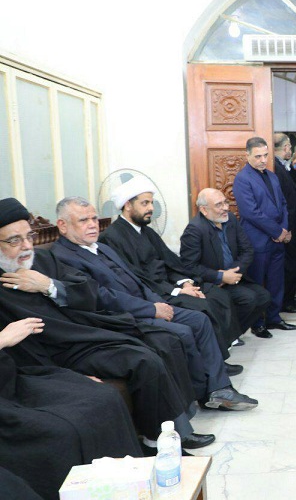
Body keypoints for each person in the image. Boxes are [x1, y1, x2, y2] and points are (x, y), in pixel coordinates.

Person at [0, 197, 211, 450]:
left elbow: (88, 291)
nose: (26, 246)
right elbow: (17, 346)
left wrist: (48, 285)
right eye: (14, 240)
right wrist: (62, 375)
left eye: (29, 236)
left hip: (83, 335)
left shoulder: (43, 261)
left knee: (155, 347)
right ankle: (157, 442)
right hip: (52, 354)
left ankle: (165, 435)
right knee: (144, 360)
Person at [53, 196, 259, 410]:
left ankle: (219, 388)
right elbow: (103, 297)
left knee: (200, 319)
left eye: (94, 219)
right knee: (183, 331)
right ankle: (201, 392)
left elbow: (136, 279)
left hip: (148, 302)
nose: (93, 225)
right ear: (63, 225)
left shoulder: (101, 247)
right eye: (84, 220)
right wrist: (152, 308)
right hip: (123, 316)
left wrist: (159, 302)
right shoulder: (64, 257)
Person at [0, 318, 143, 500]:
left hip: (13, 381)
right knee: (59, 431)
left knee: (105, 397)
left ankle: (130, 482)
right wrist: (2, 339)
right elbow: (8, 337)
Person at [99, 177, 240, 358]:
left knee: (217, 294)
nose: (151, 208)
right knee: (203, 306)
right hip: (155, 293)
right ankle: (216, 361)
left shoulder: (146, 231)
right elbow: (137, 278)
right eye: (145, 203)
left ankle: (224, 348)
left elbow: (170, 262)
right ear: (127, 205)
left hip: (169, 285)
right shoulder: (112, 237)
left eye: (151, 203)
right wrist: (178, 291)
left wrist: (186, 283)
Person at [180, 188, 273, 333]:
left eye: (225, 202)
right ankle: (225, 335)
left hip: (233, 276)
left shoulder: (230, 219)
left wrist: (230, 273)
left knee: (264, 297)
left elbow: (247, 250)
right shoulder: (194, 230)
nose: (225, 208)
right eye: (219, 205)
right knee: (248, 299)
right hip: (210, 282)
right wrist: (221, 276)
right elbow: (189, 266)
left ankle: (231, 334)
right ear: (204, 210)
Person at [233, 137, 296, 334]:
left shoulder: (272, 176)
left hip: (277, 241)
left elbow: (283, 204)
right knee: (257, 283)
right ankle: (257, 323)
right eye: (258, 156)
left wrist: (284, 229)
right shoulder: (242, 179)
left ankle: (274, 318)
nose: (263, 160)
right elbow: (251, 213)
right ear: (247, 155)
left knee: (276, 282)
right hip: (258, 241)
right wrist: (277, 232)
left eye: (265, 155)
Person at [272, 133, 296, 314]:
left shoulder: (281, 166)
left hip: (291, 225)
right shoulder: (275, 168)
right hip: (287, 228)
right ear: (286, 147)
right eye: (290, 147)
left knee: (293, 264)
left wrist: (294, 172)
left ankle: (289, 298)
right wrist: (287, 228)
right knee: (291, 265)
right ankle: (286, 301)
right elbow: (283, 201)